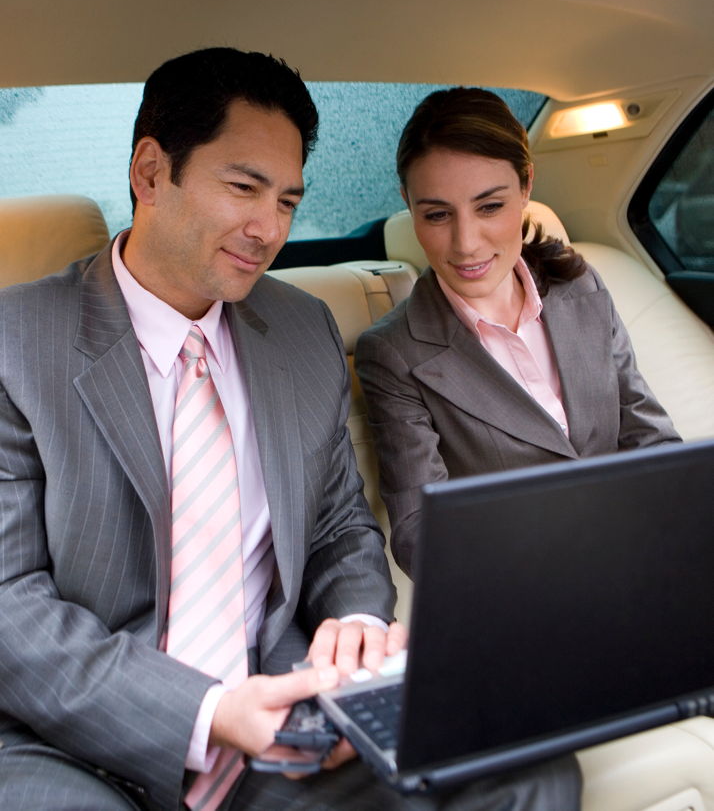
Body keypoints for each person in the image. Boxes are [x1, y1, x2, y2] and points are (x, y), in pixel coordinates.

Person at [0, 52, 579, 810]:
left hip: (283, 716)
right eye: (244, 188)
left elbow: (340, 523)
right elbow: (10, 601)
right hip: (68, 743)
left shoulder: (302, 331)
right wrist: (204, 714)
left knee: (533, 772)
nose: (268, 228)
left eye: (288, 201)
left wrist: (357, 620)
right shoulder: (16, 342)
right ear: (150, 172)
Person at [355, 87, 681, 579]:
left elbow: (652, 445)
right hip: (525, 589)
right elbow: (422, 533)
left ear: (526, 185)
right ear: (408, 204)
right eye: (437, 215)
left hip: (648, 561)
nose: (466, 244)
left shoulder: (581, 288)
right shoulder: (394, 352)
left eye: (489, 207)